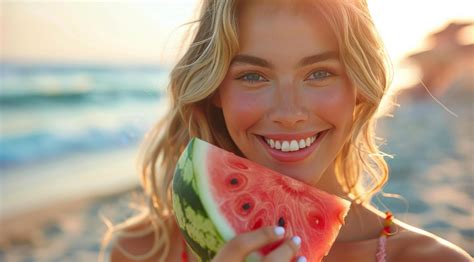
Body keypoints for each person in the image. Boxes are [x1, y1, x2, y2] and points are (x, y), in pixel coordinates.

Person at [102, 0, 472, 261]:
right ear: (216, 92)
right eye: (252, 76)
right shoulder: (140, 251)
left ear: (358, 86)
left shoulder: (430, 260)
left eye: (319, 73)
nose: (289, 113)